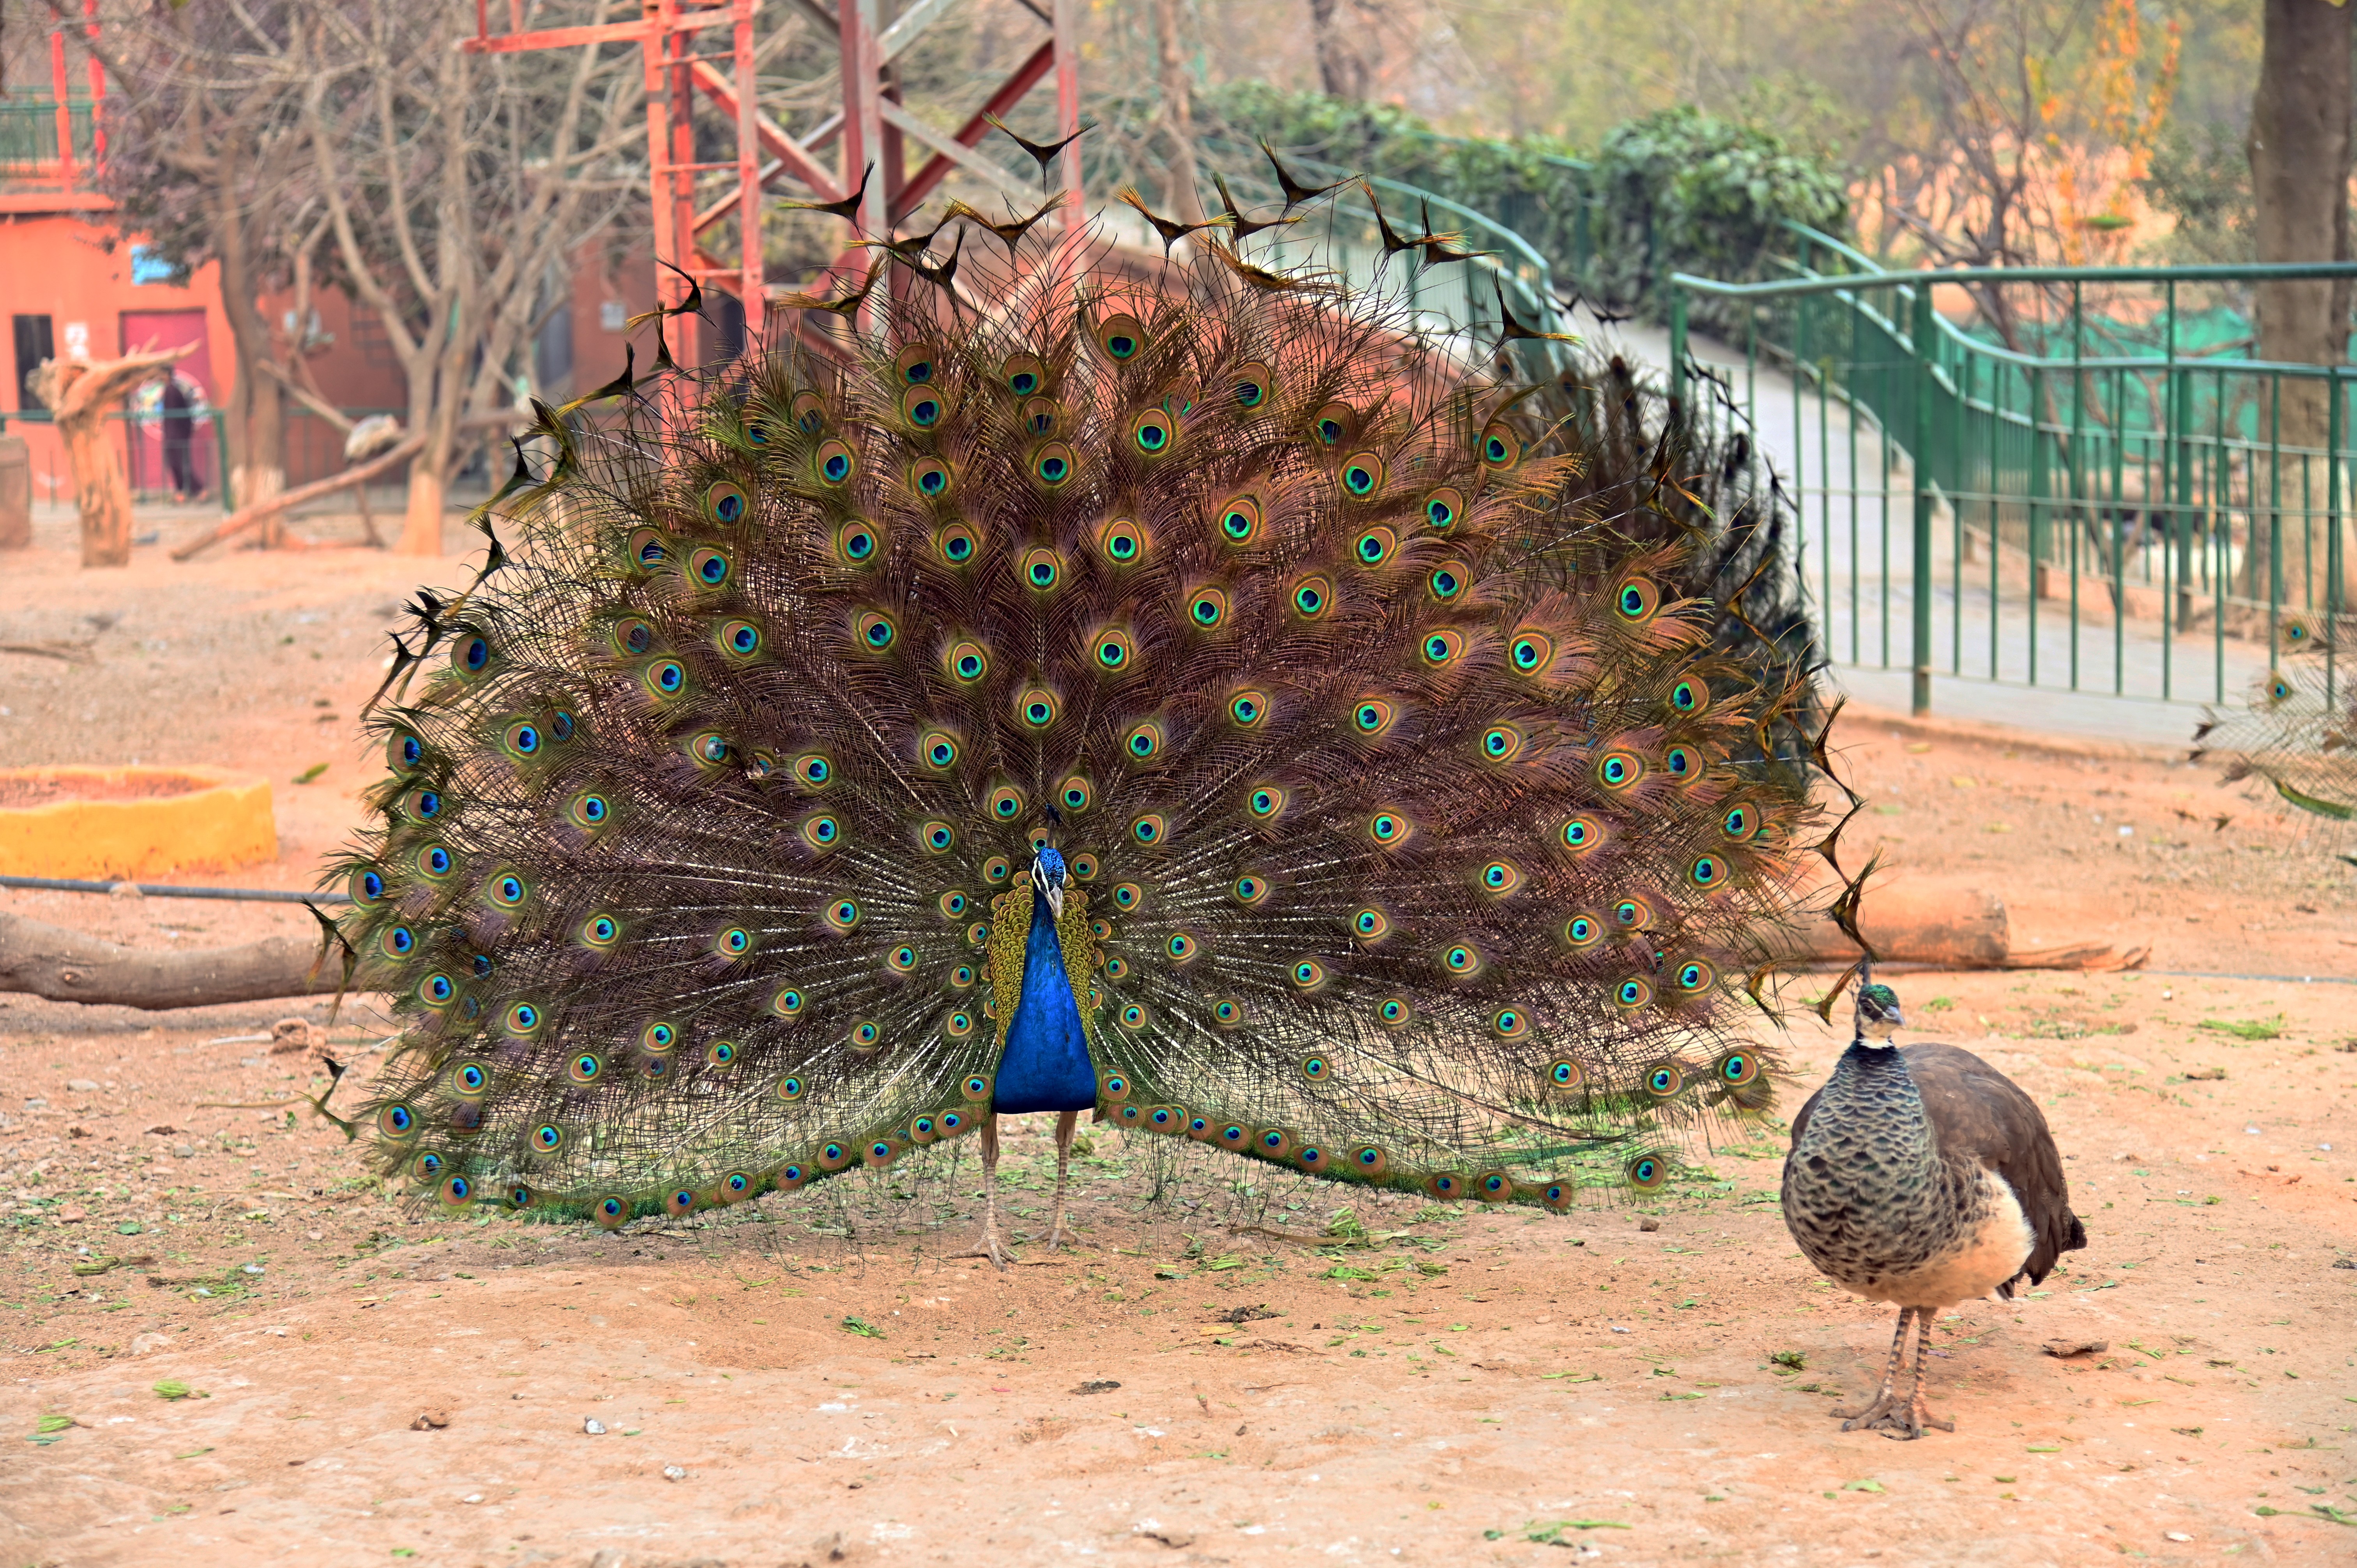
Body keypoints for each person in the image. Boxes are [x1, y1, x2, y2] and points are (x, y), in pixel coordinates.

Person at [160, 371, 203, 502]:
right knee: (176, 464)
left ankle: (199, 491)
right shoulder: (171, 390)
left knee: (181, 464)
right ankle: (182, 493)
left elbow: (176, 417)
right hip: (174, 435)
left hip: (176, 436)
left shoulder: (172, 391)